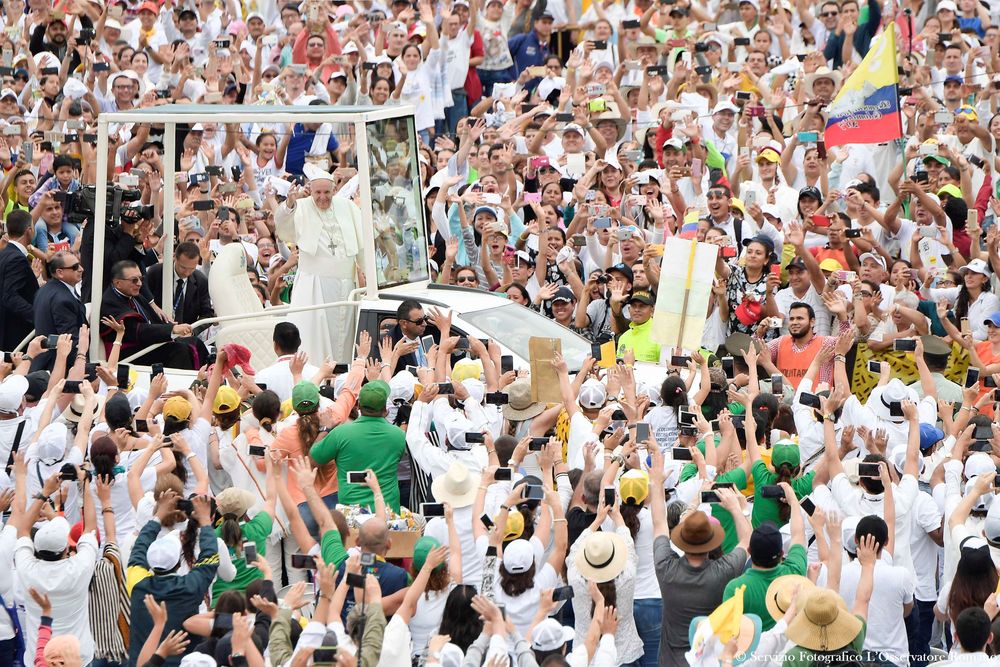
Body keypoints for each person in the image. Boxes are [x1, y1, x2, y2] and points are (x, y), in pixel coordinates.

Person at [274, 165, 365, 363]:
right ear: (311, 190)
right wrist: (290, 203)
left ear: (334, 190)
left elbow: (362, 245)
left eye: (327, 192)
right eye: (318, 192)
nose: (322, 197)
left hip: (346, 285)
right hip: (314, 286)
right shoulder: (302, 206)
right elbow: (283, 229)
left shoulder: (347, 207)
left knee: (344, 339)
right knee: (314, 340)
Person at [127, 494, 218, 667]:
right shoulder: (190, 587)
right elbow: (210, 560)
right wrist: (205, 520)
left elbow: (138, 549)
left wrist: (158, 516)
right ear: (178, 562)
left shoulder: (137, 584)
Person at [310, 380, 407, 512]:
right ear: (385, 410)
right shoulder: (399, 436)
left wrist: (325, 429)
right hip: (387, 513)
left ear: (359, 406)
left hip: (352, 514)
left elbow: (313, 460)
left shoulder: (341, 433)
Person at [98, 261, 200, 369]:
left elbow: (152, 319)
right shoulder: (111, 303)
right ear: (118, 283)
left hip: (144, 344)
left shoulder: (132, 294)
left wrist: (172, 327)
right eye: (134, 280)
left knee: (195, 342)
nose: (139, 284)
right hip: (125, 352)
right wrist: (172, 329)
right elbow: (138, 330)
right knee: (178, 350)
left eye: (141, 279)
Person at [30, 251, 86, 370]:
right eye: (75, 267)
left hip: (43, 363)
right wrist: (80, 368)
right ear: (60, 272)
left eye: (79, 265)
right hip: (57, 368)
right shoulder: (63, 299)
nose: (81, 269)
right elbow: (69, 340)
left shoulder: (45, 290)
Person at [146, 242, 215, 325]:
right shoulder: (156, 273)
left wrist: (192, 330)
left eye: (192, 268)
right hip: (156, 329)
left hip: (187, 333)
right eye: (183, 267)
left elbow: (207, 314)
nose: (187, 273)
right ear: (175, 257)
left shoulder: (201, 280)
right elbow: (145, 301)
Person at [0, 210, 38, 351]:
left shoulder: (4, 254)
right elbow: (10, 296)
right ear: (29, 230)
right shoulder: (17, 259)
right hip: (15, 335)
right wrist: (37, 316)